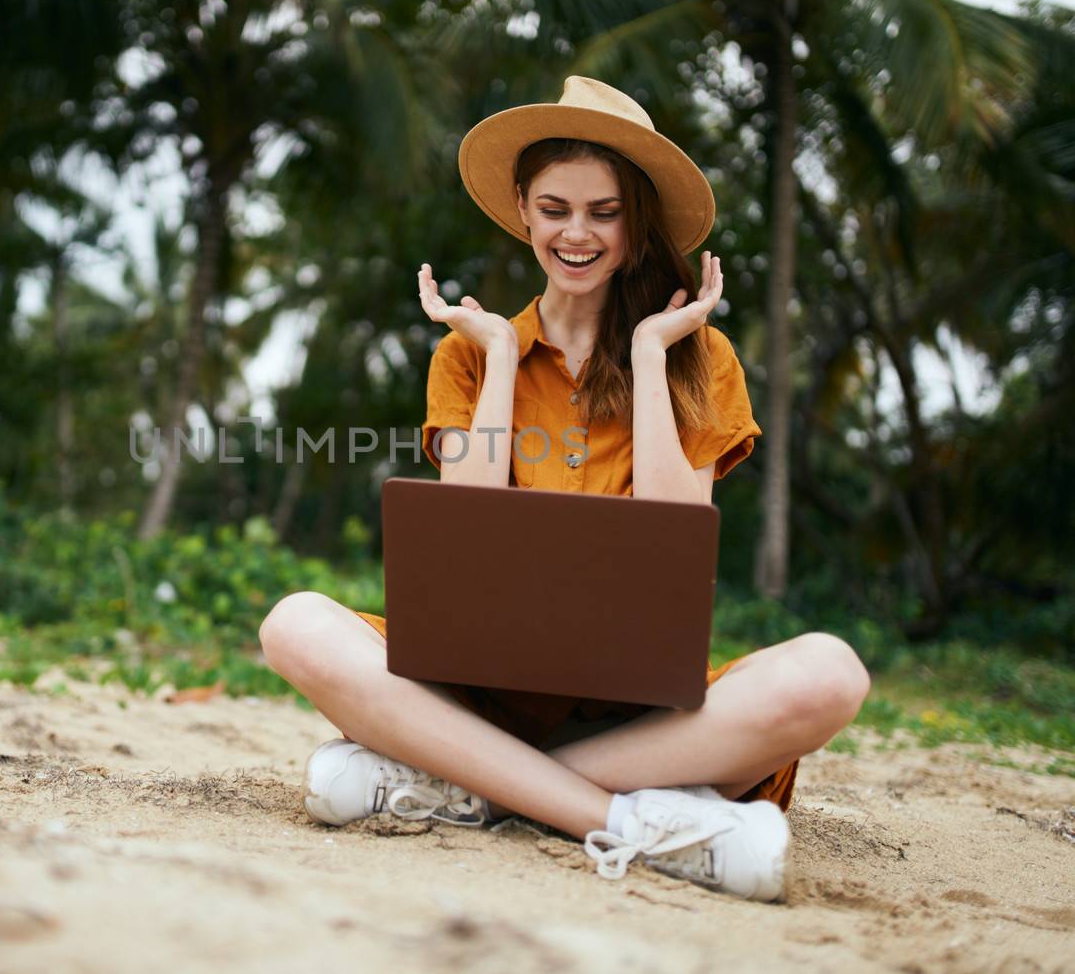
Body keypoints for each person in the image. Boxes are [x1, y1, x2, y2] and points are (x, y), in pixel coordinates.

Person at [257, 77, 870, 902]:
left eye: (604, 212)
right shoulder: (472, 352)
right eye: (555, 209)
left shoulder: (696, 357)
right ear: (522, 209)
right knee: (294, 623)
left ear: (635, 221)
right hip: (476, 694)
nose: (576, 234)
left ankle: (467, 783)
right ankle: (628, 823)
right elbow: (465, 536)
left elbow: (671, 542)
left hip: (643, 722)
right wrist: (505, 359)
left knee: (831, 674)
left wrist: (652, 354)